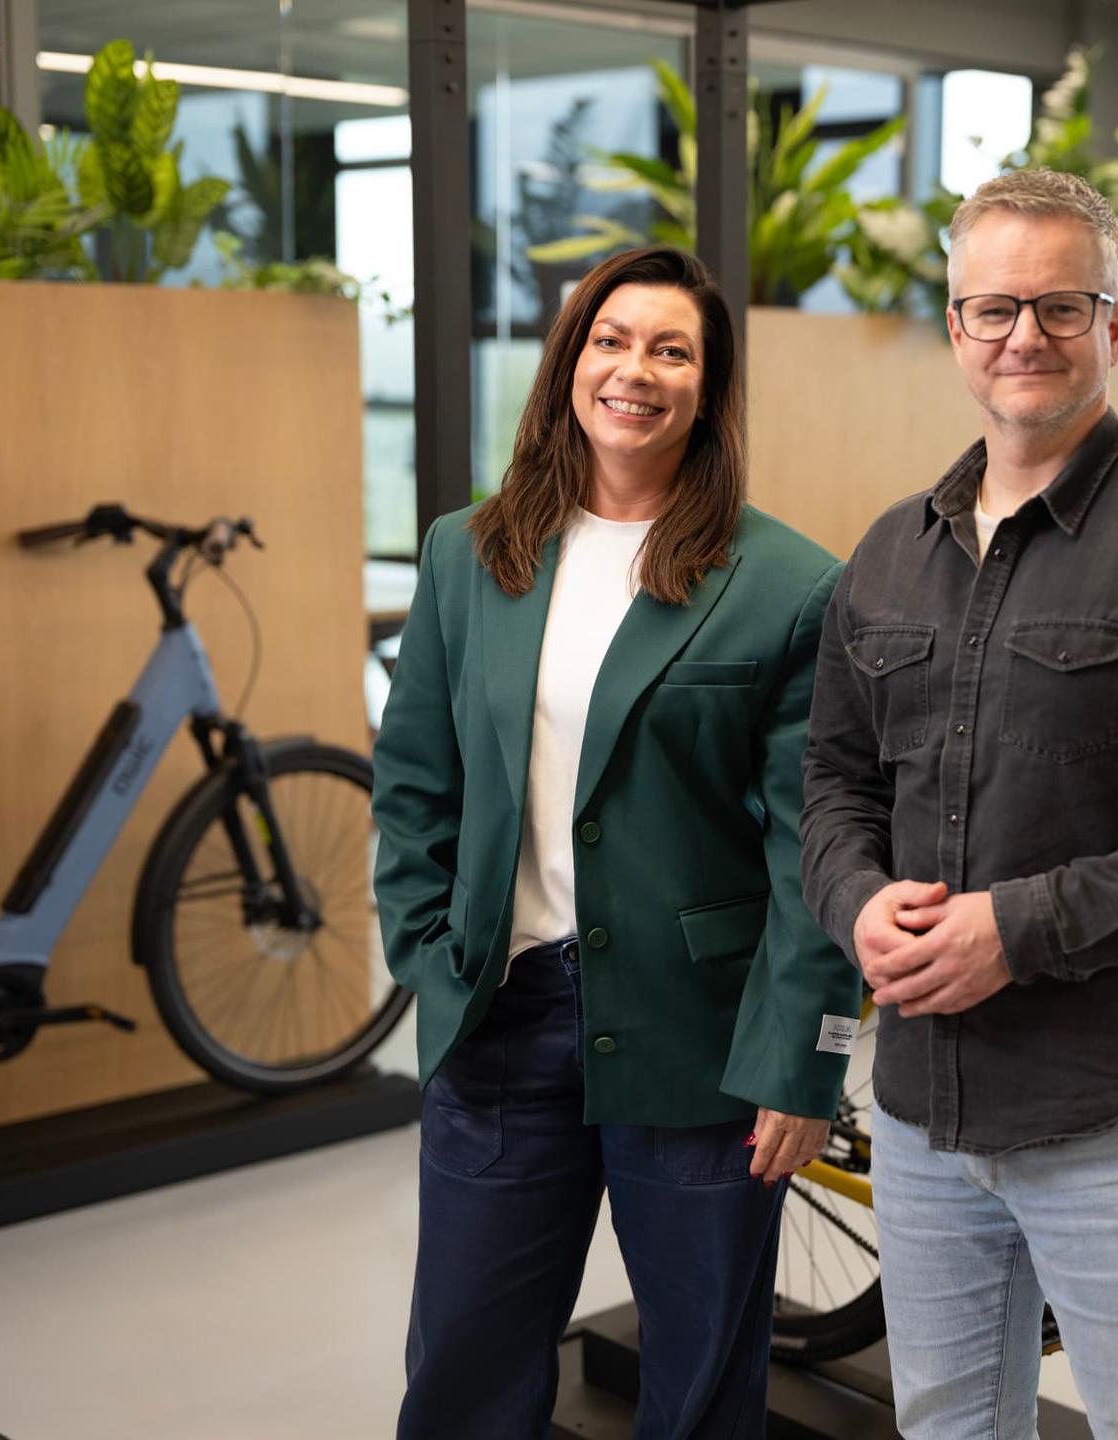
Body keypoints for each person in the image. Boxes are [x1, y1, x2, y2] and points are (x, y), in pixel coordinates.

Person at [800, 169, 1118, 1439]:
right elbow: (834, 782)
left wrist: (1014, 932)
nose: (1024, 334)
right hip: (924, 1111)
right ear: (956, 329)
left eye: (1060, 306)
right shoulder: (887, 554)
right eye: (993, 308)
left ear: (1115, 325)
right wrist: (856, 904)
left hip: (1117, 1112)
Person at [373, 245, 858, 1439]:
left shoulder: (790, 584)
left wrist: (801, 1061)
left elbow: (823, 844)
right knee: (464, 1373)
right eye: (611, 339)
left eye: (671, 349)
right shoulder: (467, 554)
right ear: (570, 361)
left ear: (708, 385)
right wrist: (430, 956)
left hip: (703, 1042)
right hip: (503, 1010)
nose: (634, 370)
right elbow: (415, 782)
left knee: (699, 1387)